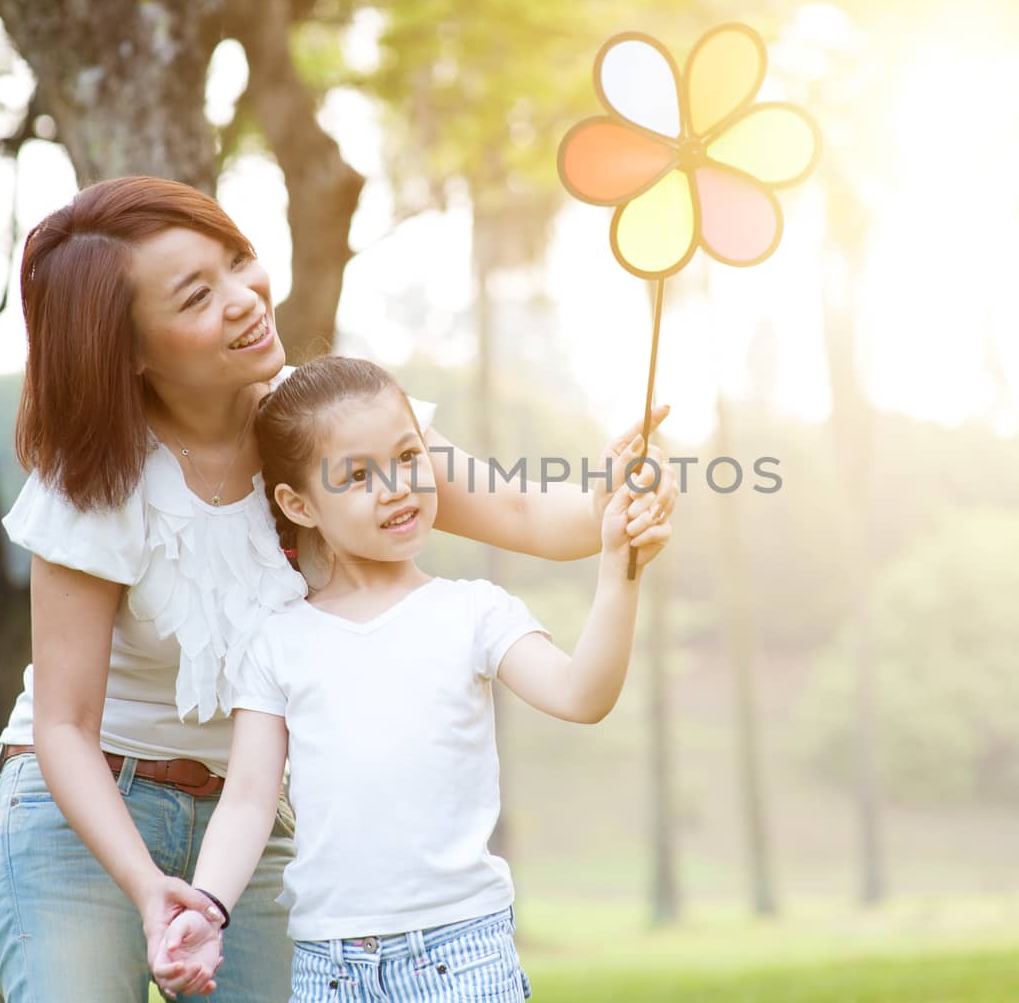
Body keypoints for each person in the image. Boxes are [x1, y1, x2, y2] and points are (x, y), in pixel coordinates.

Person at [0, 175, 679, 1003]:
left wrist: (615, 497)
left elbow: (531, 512)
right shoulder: (94, 479)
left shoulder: (328, 428)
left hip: (256, 809)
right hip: (89, 814)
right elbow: (65, 724)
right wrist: (146, 886)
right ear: (128, 347)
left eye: (238, 261)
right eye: (198, 296)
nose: (245, 297)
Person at [145, 356, 673, 1000]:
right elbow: (251, 799)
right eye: (359, 474)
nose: (396, 486)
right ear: (298, 504)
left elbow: (581, 695)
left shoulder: (473, 611)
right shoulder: (275, 642)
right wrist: (208, 908)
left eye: (407, 457)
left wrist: (620, 562)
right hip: (329, 966)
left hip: (464, 952)